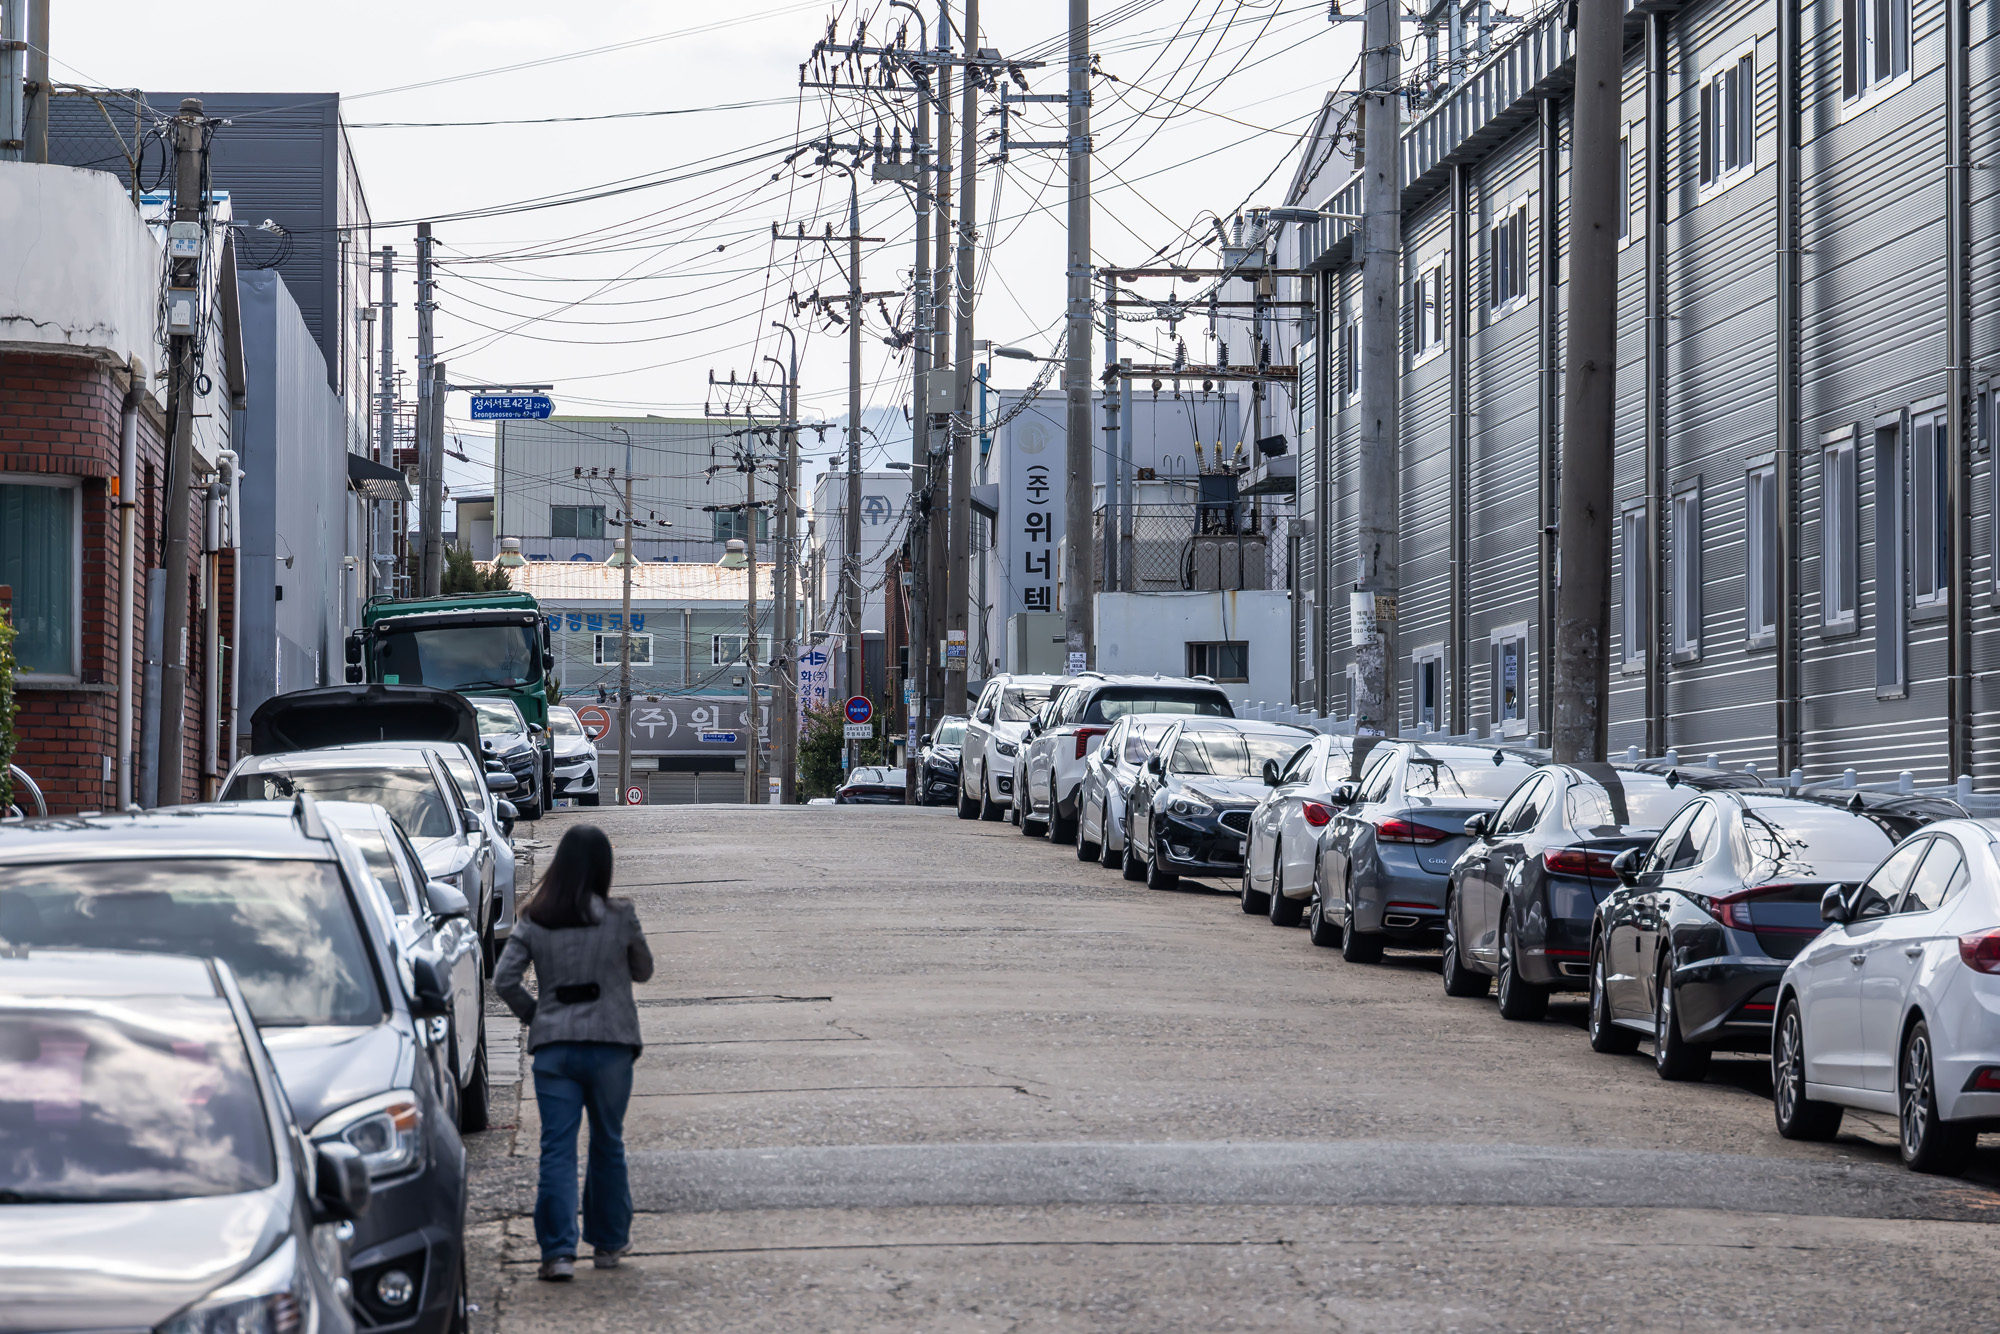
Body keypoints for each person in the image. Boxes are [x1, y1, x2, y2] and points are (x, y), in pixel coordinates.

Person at [494, 824, 654, 1282]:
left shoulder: (534, 919)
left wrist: (537, 1016)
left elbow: (505, 981)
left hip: (555, 1052)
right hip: (611, 1049)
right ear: (604, 868)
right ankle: (607, 1244)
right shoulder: (620, 915)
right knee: (608, 1143)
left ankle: (558, 1253)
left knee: (557, 1150)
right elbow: (643, 970)